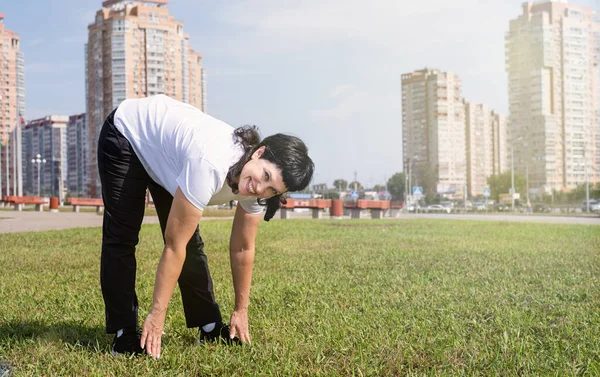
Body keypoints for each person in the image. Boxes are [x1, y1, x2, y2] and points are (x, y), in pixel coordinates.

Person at [97, 94, 314, 358]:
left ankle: (209, 325)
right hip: (129, 134)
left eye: (272, 189)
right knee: (122, 236)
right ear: (259, 152)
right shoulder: (210, 163)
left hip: (168, 156)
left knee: (190, 240)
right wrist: (157, 315)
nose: (260, 187)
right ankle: (124, 333)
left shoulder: (259, 193)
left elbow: (243, 248)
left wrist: (241, 310)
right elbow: (173, 246)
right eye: (265, 175)